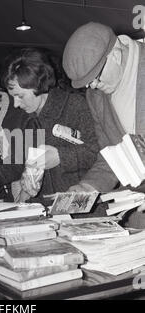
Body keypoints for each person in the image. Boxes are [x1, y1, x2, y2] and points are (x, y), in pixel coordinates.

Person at [62, 22, 145, 226]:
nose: (93, 87)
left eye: (96, 78)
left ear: (115, 54)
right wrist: (88, 187)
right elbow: (112, 154)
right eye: (87, 84)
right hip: (137, 216)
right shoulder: (96, 97)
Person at [0, 47, 99, 203]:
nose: (15, 104)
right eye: (12, 97)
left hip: (80, 212)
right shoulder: (26, 118)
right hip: (42, 212)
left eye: (20, 96)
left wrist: (60, 157)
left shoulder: (76, 106)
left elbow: (100, 154)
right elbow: (17, 162)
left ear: (38, 84)